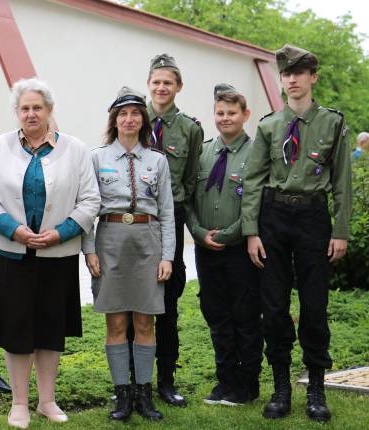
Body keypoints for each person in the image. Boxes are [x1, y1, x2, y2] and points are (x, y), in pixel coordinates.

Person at [0, 78, 100, 429]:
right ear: (17, 112)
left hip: (55, 254)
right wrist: (13, 230)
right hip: (10, 253)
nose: (31, 114)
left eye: (38, 107)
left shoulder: (74, 149)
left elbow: (90, 200)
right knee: (15, 329)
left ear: (49, 111)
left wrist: (61, 232)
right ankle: (18, 404)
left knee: (49, 327)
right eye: (25, 108)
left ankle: (47, 400)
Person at [241, 45, 352, 422]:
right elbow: (253, 180)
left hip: (313, 219)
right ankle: (282, 387)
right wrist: (252, 231)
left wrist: (340, 230)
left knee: (314, 307)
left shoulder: (333, 123)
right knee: (273, 308)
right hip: (273, 216)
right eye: (286, 74)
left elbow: (342, 184)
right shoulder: (269, 125)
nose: (292, 79)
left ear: (312, 77)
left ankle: (317, 388)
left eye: (299, 73)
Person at [83, 86, 175, 422]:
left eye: (135, 113)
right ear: (114, 119)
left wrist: (167, 256)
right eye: (123, 113)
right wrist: (89, 251)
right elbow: (87, 208)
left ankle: (144, 394)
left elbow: (167, 212)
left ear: (143, 120)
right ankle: (122, 395)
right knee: (117, 321)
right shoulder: (97, 158)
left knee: (144, 320)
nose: (129, 119)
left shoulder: (158, 161)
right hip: (110, 243)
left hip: (147, 242)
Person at [186, 84, 262, 406]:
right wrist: (199, 231)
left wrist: (231, 234)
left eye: (232, 113)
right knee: (217, 316)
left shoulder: (257, 152)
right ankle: (224, 382)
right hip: (206, 248)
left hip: (239, 250)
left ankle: (247, 385)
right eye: (220, 113)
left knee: (244, 316)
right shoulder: (203, 152)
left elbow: (258, 202)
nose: (225, 118)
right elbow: (188, 198)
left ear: (245, 115)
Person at [142, 53, 203, 407]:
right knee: (136, 301)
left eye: (168, 82)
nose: (161, 88)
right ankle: (136, 381)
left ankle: (166, 379)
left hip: (172, 219)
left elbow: (192, 180)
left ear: (178, 87)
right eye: (156, 82)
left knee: (167, 302)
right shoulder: (133, 118)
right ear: (148, 85)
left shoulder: (190, 129)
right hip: (138, 220)